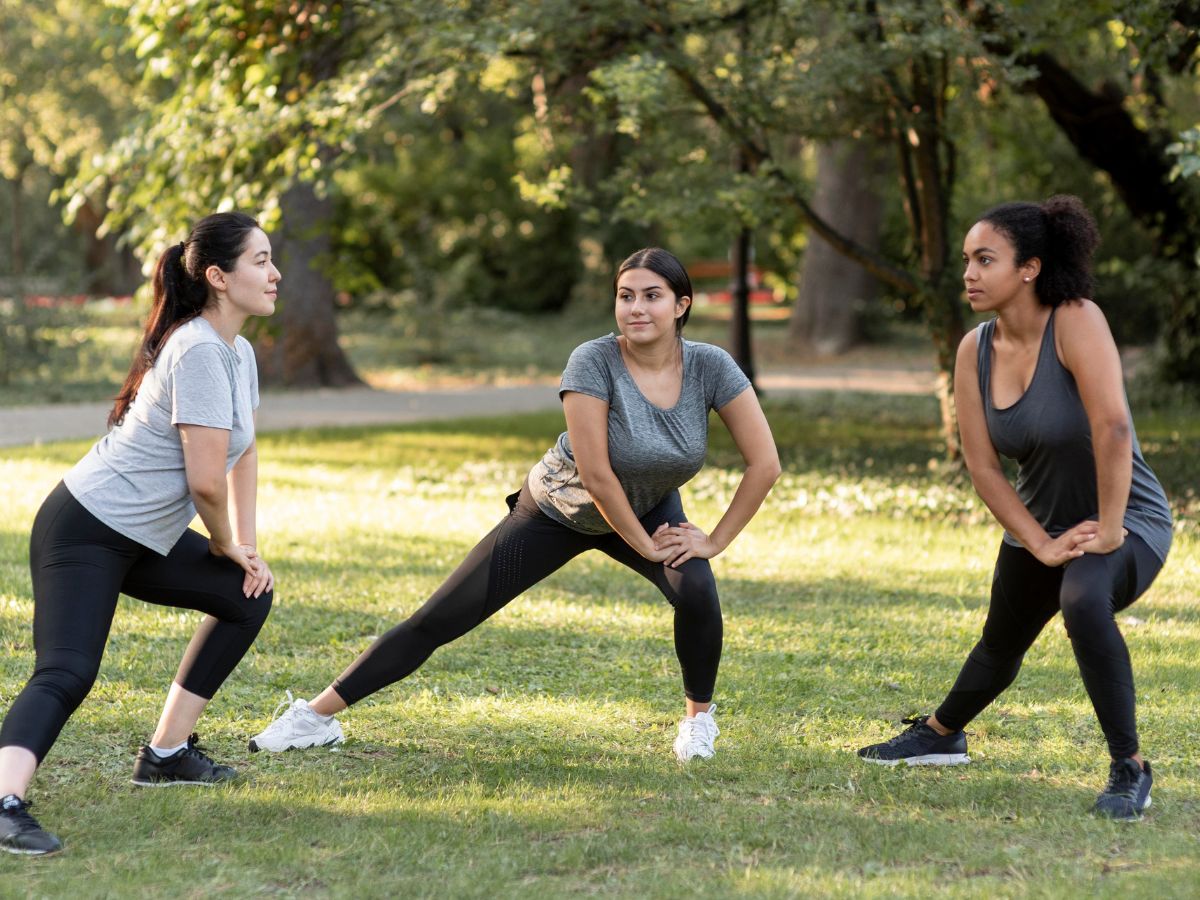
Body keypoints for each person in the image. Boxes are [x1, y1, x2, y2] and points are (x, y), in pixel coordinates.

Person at [250, 247, 780, 762]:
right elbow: (596, 474)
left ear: (682, 304)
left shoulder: (710, 367)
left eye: (652, 296)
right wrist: (645, 545)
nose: (636, 308)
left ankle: (697, 722)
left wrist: (712, 541)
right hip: (558, 508)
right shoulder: (594, 360)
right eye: (625, 296)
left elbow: (765, 464)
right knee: (440, 618)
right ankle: (315, 717)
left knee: (698, 591)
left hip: (647, 505)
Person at [856, 196, 1172, 821]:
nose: (968, 273)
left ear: (1029, 268)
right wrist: (1042, 542)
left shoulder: (1076, 319)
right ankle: (943, 734)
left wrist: (1108, 532)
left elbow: (1112, 428)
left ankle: (1130, 767)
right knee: (1000, 643)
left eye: (985, 260)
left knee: (1083, 600)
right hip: (1042, 521)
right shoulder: (973, 349)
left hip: (1128, 518)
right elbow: (981, 465)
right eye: (967, 260)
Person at [0, 212, 279, 856]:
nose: (275, 273)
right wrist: (222, 540)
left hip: (141, 534)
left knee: (247, 594)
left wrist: (247, 546)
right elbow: (205, 481)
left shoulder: (236, 351)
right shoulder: (202, 348)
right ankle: (6, 799)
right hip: (87, 528)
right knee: (67, 671)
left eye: (272, 258)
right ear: (218, 276)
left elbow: (243, 453)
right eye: (260, 260)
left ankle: (166, 755)